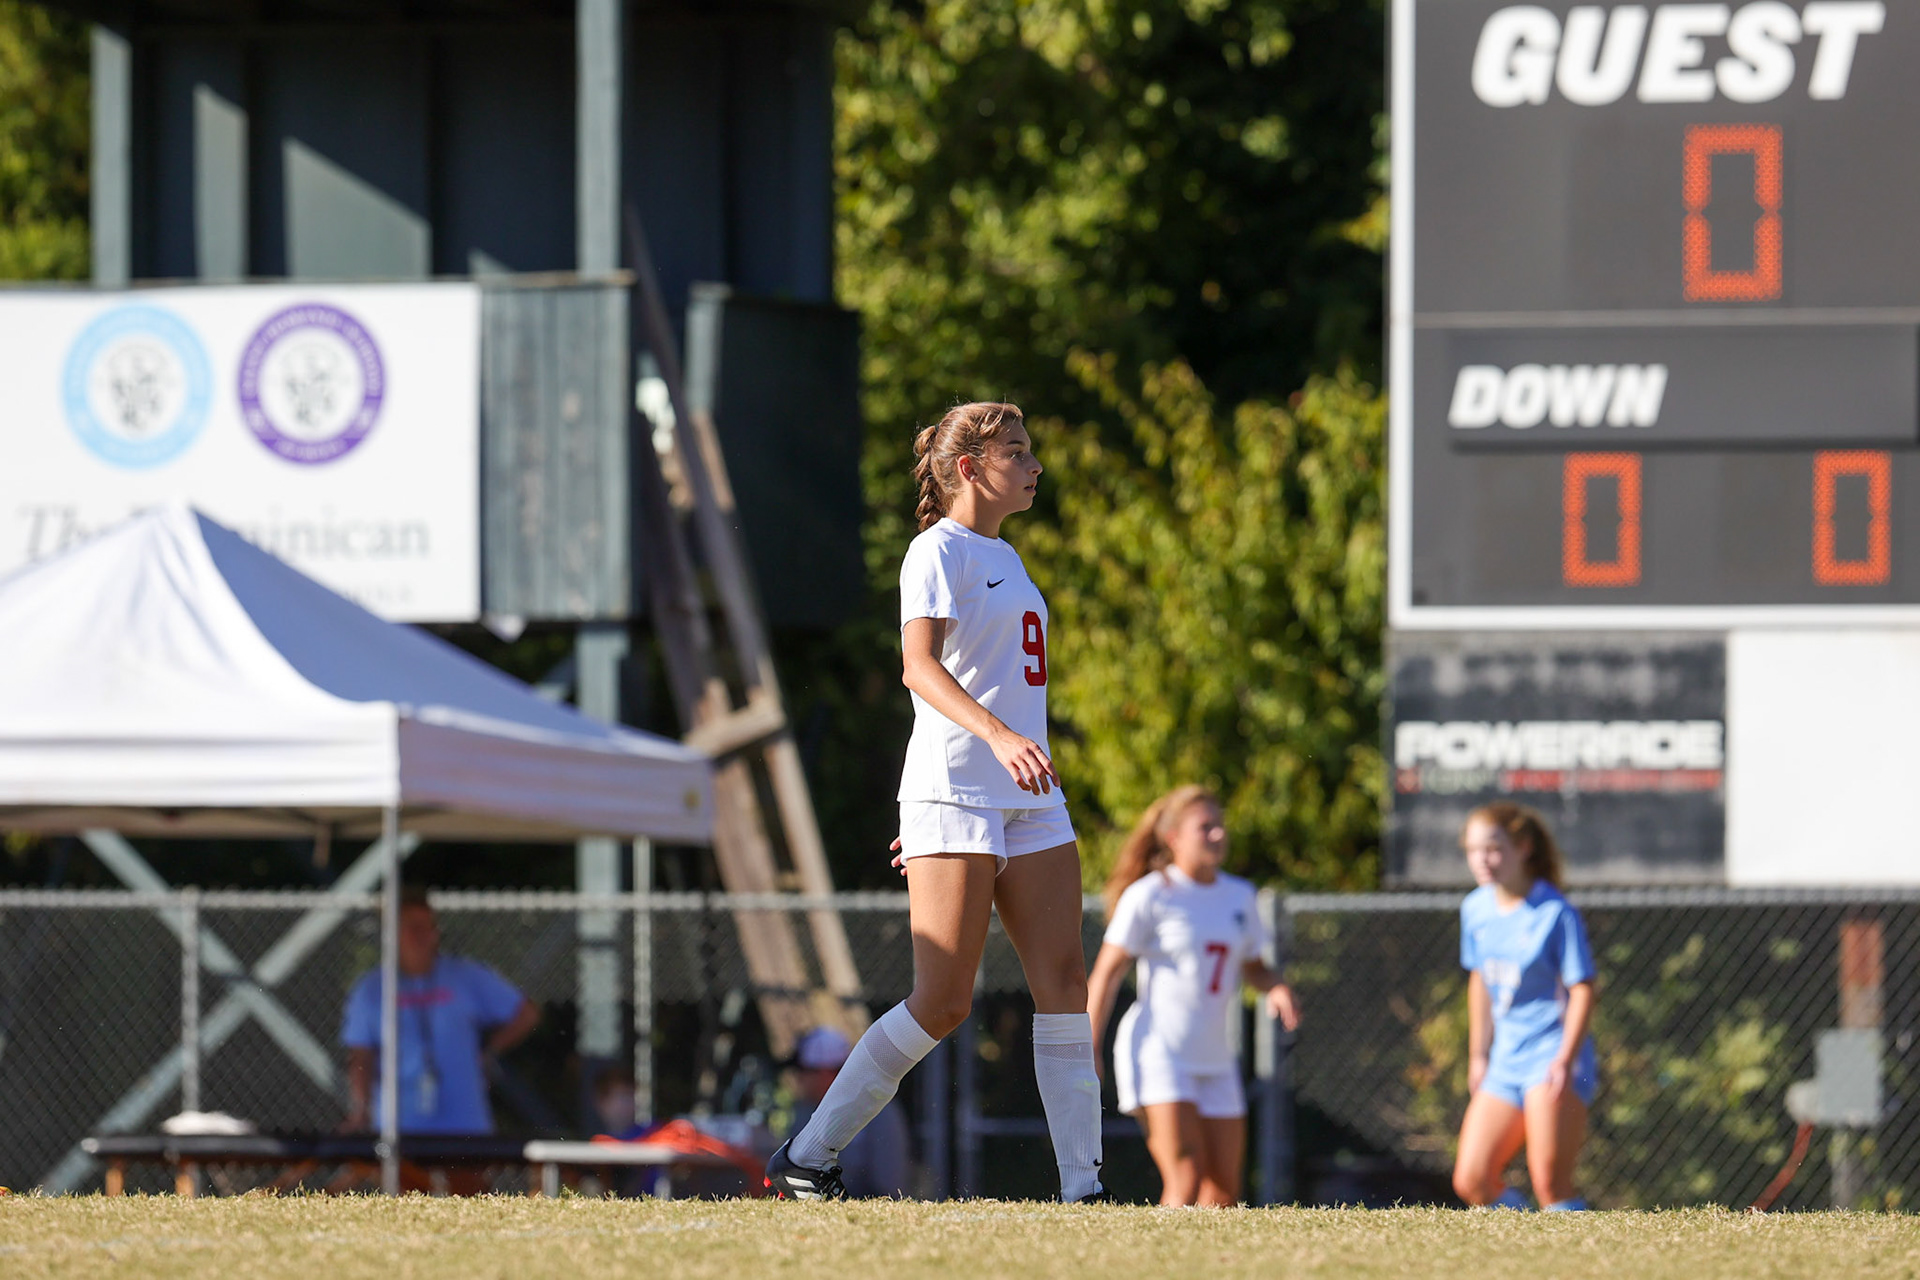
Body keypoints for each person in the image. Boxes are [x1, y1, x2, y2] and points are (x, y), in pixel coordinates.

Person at [766, 401, 1106, 1203]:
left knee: (1064, 979)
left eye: (1030, 450)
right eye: (1016, 452)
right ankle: (808, 1155)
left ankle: (1084, 1189)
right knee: (945, 1001)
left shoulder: (1007, 556)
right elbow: (918, 668)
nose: (1033, 465)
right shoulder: (936, 550)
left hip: (1029, 798)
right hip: (959, 791)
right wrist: (973, 765)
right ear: (968, 467)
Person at [1086, 785, 1300, 1206]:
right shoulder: (1150, 894)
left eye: (1220, 826)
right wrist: (1087, 1047)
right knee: (1184, 1177)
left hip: (1216, 1059)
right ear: (1174, 839)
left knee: (1223, 1192)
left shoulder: (1240, 896)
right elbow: (1106, 974)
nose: (1218, 835)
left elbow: (1253, 965)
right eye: (1206, 827)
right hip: (1159, 1054)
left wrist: (1274, 986)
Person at [1449, 802, 1597, 1212]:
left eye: (1493, 848)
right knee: (1472, 1179)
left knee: (1551, 1184)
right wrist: (1479, 1055)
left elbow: (1583, 989)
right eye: (1473, 850)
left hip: (1551, 1057)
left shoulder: (1554, 912)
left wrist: (1565, 1060)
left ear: (1523, 847)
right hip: (1505, 1060)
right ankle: (1526, 1249)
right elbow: (1480, 979)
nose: (1482, 860)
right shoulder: (1475, 909)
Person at [341, 888, 541, 1139]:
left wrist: (489, 1050)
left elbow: (527, 1013)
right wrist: (361, 1108)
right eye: (415, 928)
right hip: (399, 1128)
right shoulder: (371, 989)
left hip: (465, 1125)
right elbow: (361, 1057)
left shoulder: (466, 975)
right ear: (392, 934)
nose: (427, 935)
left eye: (430, 926)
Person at [786, 1027, 912, 1198]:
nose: (798, 1079)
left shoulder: (878, 1109)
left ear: (825, 1073)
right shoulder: (805, 1110)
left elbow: (888, 1185)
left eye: (803, 1071)